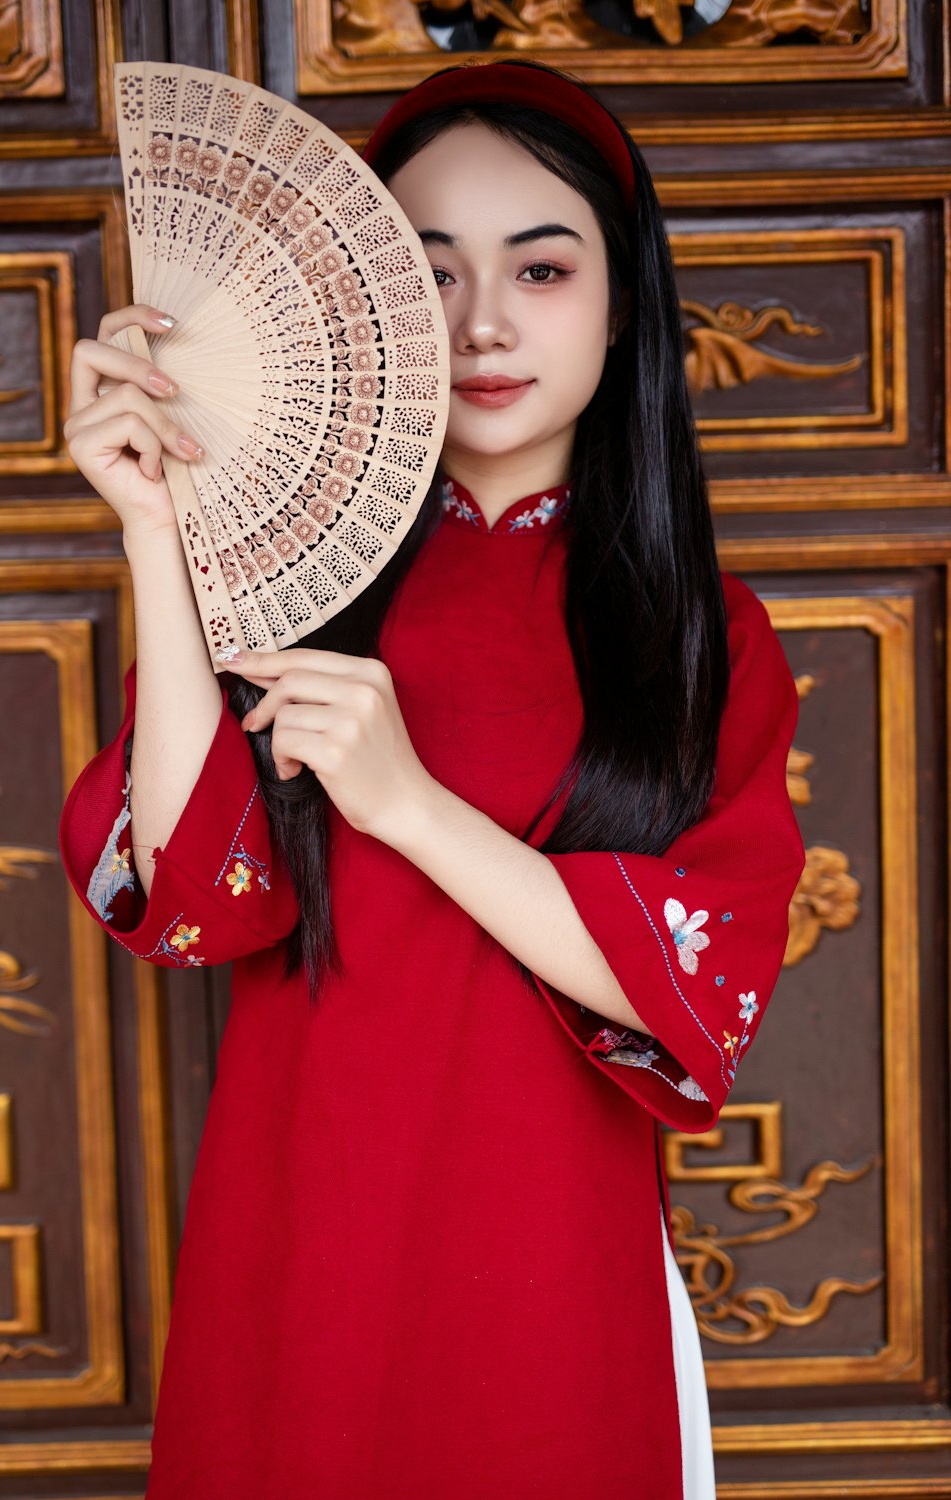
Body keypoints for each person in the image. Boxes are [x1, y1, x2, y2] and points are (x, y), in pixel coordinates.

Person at [59, 59, 805, 1500]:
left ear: (626, 299)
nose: (478, 324)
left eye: (541, 266)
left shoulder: (706, 636)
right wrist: (160, 536)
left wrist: (407, 803)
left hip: (553, 1271)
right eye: (424, 268)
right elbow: (193, 907)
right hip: (299, 1245)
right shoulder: (286, 584)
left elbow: (701, 994)